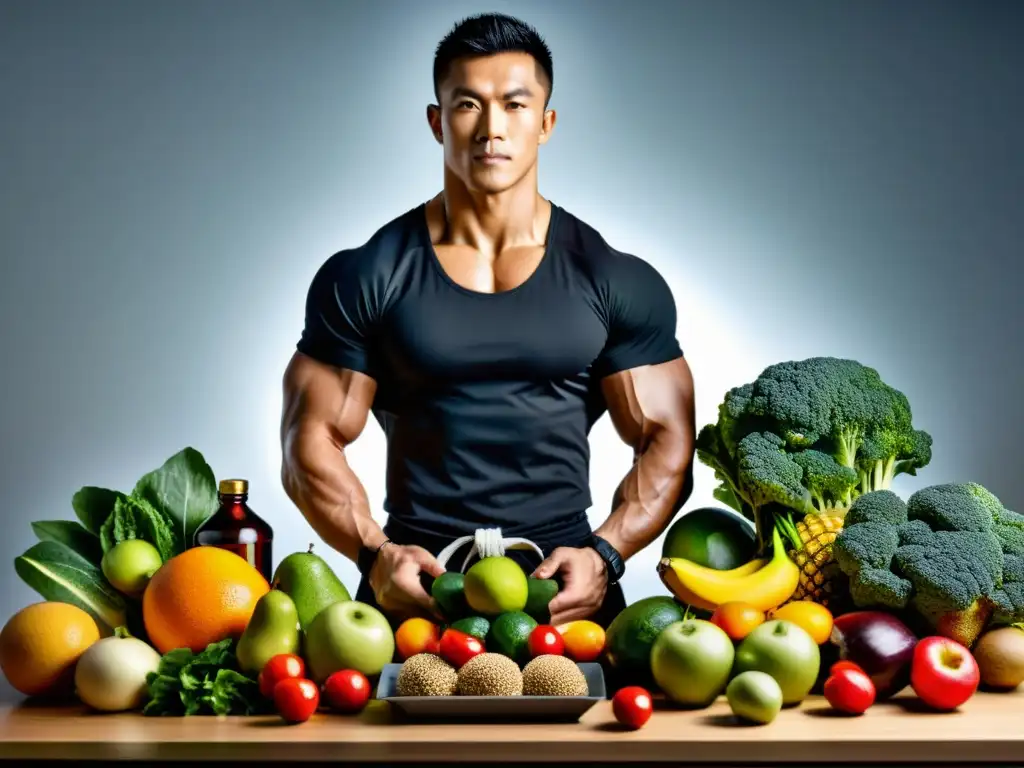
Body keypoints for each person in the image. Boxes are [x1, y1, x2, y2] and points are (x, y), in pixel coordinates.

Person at [280, 12, 696, 630]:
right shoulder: (368, 273)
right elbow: (307, 442)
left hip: (566, 590)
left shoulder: (610, 277)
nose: (492, 128)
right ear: (436, 121)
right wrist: (373, 555)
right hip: (415, 590)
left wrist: (606, 554)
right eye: (469, 104)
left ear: (546, 123)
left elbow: (668, 437)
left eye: (516, 104)